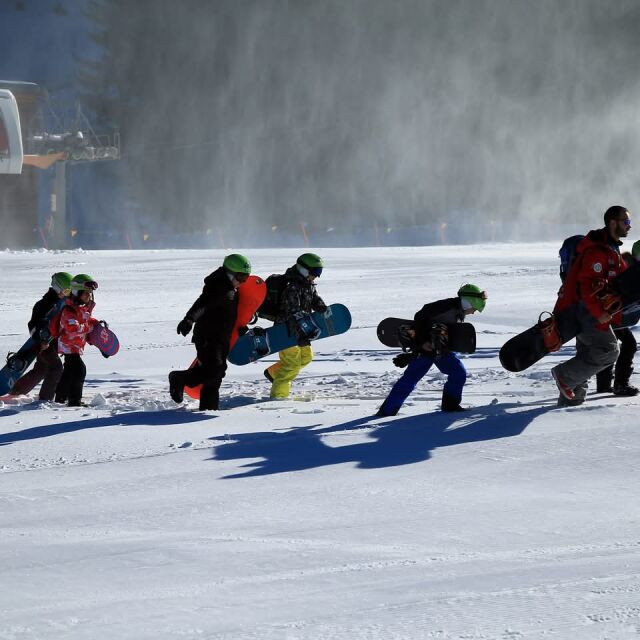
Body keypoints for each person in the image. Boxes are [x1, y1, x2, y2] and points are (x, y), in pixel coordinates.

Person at [551, 206, 631, 406]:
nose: (629, 226)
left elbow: (620, 279)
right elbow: (587, 284)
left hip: (587, 312)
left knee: (587, 354)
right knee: (609, 350)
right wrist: (599, 313)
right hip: (586, 313)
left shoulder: (611, 249)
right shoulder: (597, 251)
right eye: (626, 221)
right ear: (613, 222)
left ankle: (571, 401)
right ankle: (565, 375)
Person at [376, 283, 487, 417]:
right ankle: (387, 411)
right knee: (411, 378)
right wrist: (422, 343)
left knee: (458, 373)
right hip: (426, 350)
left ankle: (450, 406)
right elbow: (420, 318)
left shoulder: (458, 310)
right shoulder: (445, 307)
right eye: (474, 308)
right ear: (469, 302)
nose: (474, 312)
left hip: (441, 350)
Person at [169, 254, 252, 411]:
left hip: (222, 338)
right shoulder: (218, 287)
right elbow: (203, 304)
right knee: (214, 371)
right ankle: (178, 378)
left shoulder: (232, 288)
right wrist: (189, 319)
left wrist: (239, 326)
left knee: (215, 378)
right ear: (230, 272)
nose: (242, 281)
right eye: (241, 277)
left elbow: (230, 313)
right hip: (208, 337)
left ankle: (209, 411)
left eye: (246, 278)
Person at [262, 253, 327, 399]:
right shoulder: (292, 287)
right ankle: (278, 397)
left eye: (319, 273)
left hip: (302, 329)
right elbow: (292, 313)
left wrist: (321, 307)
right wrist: (301, 333)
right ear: (303, 270)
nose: (317, 276)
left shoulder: (307, 284)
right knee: (291, 365)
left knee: (306, 357)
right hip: (286, 331)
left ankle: (273, 373)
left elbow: (314, 298)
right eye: (315, 272)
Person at [9, 272, 72, 400]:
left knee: (41, 370)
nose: (67, 294)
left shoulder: (62, 303)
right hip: (43, 344)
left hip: (54, 342)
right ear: (57, 287)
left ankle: (15, 391)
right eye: (65, 291)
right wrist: (41, 340)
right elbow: (33, 325)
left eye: (69, 292)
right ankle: (45, 399)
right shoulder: (44, 304)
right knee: (56, 368)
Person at [50, 274, 99, 407]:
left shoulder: (82, 308)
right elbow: (73, 328)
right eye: (86, 293)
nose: (89, 296)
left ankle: (60, 397)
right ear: (77, 292)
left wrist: (96, 324)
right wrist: (89, 328)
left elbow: (86, 320)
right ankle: (74, 401)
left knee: (69, 372)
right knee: (79, 370)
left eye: (90, 293)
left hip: (75, 346)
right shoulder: (69, 310)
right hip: (68, 346)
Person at [595, 249, 638, 396]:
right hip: (612, 314)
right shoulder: (629, 271)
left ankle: (604, 384)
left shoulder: (624, 265)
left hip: (611, 315)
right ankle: (620, 384)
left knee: (611, 346)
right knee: (628, 344)